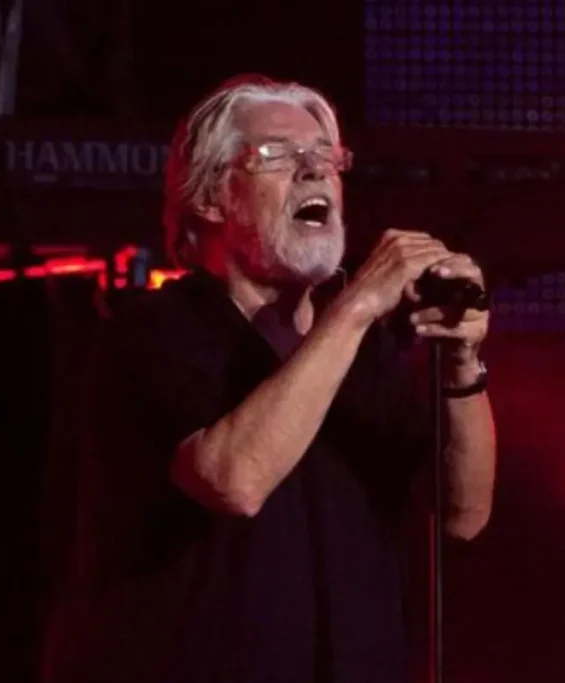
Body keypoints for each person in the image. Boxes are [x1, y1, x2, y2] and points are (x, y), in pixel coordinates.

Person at [45, 74, 497, 683]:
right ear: (210, 197)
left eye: (325, 159)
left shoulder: (365, 353)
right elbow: (233, 480)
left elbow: (462, 515)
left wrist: (464, 365)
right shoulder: (155, 332)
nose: (314, 173)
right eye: (278, 156)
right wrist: (358, 305)